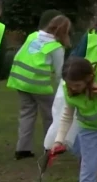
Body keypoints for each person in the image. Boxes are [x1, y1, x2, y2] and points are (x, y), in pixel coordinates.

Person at [6, 14, 71, 160]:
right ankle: (50, 146)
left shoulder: (33, 36)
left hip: (21, 82)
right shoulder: (56, 47)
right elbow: (60, 72)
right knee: (50, 116)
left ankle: (22, 149)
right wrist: (63, 88)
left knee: (26, 115)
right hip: (40, 86)